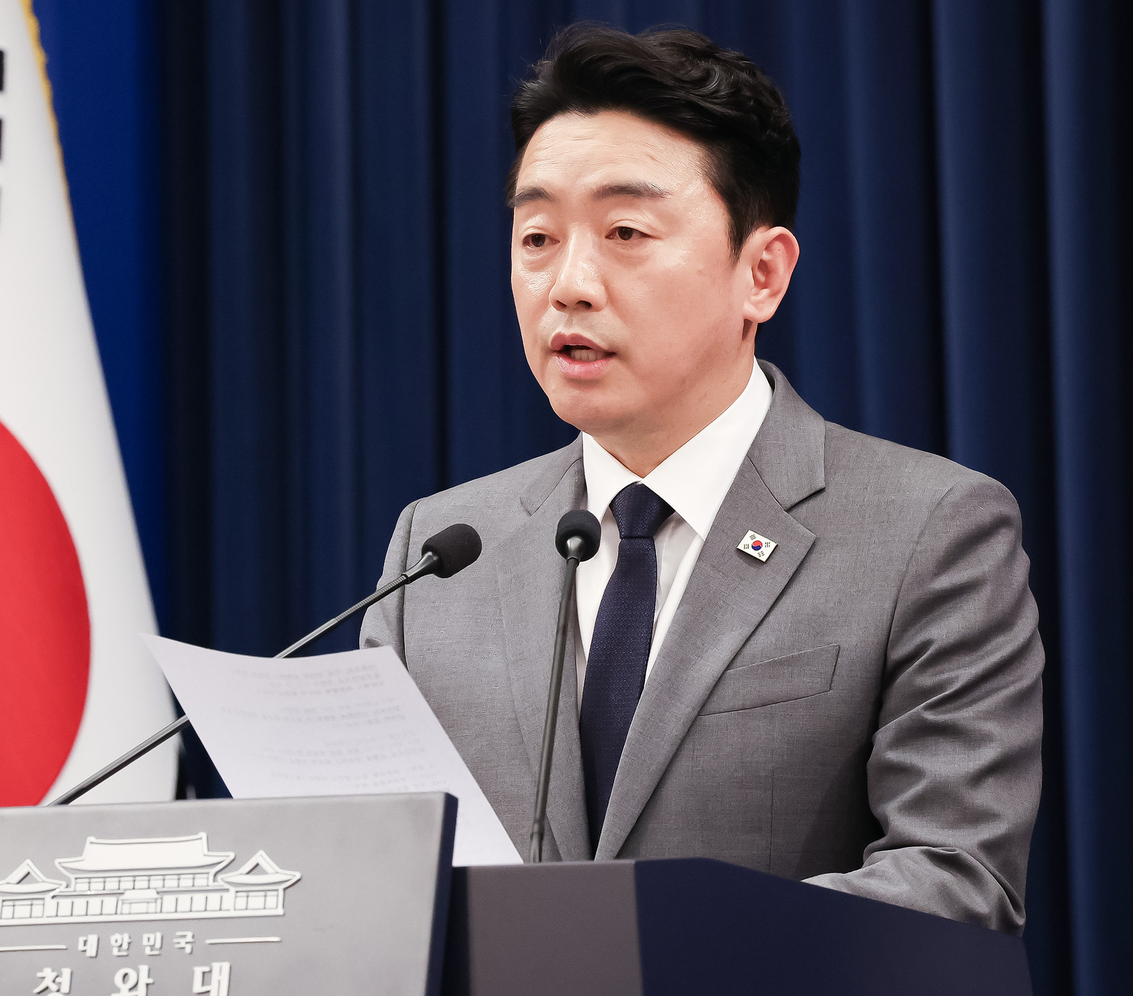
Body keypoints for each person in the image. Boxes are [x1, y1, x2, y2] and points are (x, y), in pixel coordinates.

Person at [359, 23, 1042, 934]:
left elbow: (955, 882)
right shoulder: (440, 552)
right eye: (536, 237)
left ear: (761, 273)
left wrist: (649, 944)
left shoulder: (930, 531)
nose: (568, 283)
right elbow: (371, 870)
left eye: (625, 231)